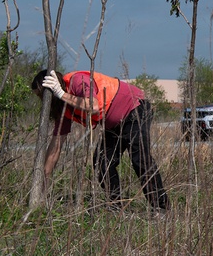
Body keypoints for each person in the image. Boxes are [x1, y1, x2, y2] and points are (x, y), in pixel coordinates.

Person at [32, 69, 169, 212]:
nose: (42, 101)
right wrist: (43, 182)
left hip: (134, 108)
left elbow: (93, 106)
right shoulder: (63, 109)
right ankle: (116, 206)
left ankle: (161, 207)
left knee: (140, 159)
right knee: (102, 162)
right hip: (113, 124)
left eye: (42, 96)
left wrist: (61, 94)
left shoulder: (77, 81)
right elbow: (56, 147)